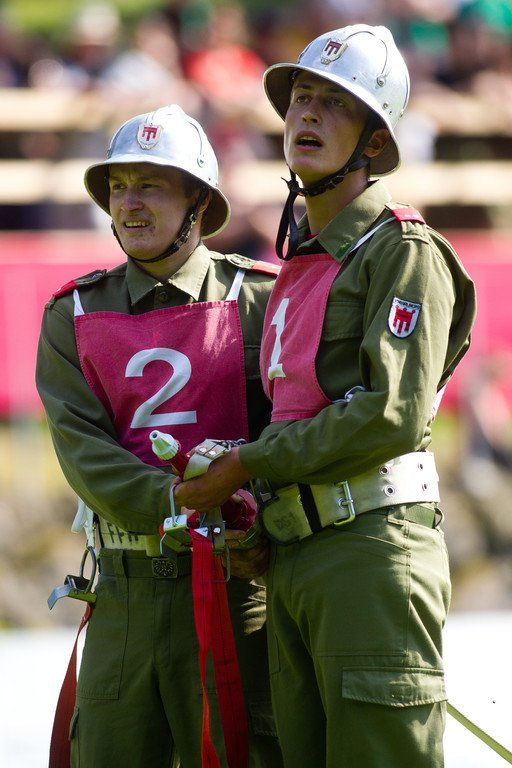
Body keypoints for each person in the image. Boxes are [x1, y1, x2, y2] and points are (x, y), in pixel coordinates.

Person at [174, 25, 477, 768]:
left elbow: (389, 414)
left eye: (336, 102)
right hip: (294, 553)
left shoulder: (403, 252)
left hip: (369, 550)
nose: (306, 113)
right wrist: (251, 502)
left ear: (376, 140)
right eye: (300, 97)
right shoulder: (299, 267)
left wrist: (247, 463)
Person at [36, 104, 283, 768]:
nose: (129, 203)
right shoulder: (72, 312)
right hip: (124, 594)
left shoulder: (259, 299)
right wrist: (182, 500)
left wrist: (254, 511)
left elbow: (292, 430)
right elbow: (84, 453)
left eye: (150, 184)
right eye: (118, 187)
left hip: (239, 592)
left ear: (198, 201)